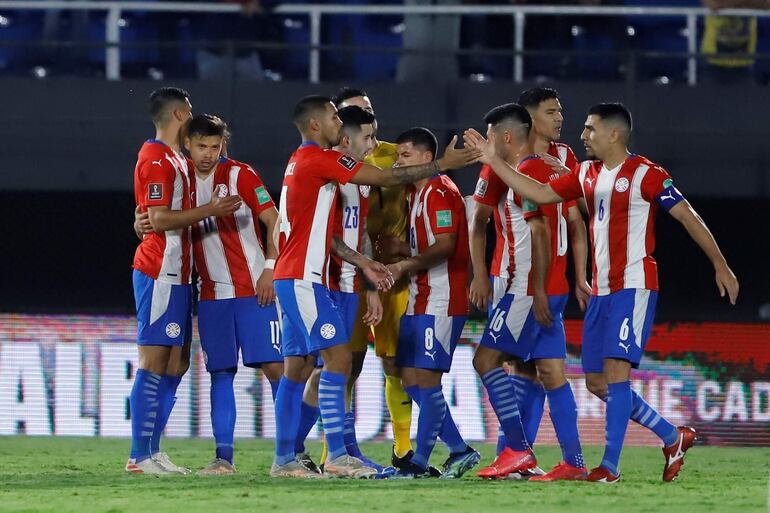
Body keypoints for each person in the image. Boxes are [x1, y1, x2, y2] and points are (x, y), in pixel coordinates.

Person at [464, 102, 740, 483]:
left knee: (615, 374)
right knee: (595, 382)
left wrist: (720, 264)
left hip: (634, 285)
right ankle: (671, 435)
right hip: (602, 291)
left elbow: (688, 216)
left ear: (614, 134)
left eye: (590, 129)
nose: (582, 135)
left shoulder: (647, 174)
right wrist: (496, 161)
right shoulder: (585, 174)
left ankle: (608, 467)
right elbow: (541, 195)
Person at [270, 95, 478, 478]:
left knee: (301, 365)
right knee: (337, 362)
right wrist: (444, 164)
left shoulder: (315, 166)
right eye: (367, 137)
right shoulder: (326, 162)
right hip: (308, 278)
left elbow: (335, 234)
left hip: (321, 278)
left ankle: (289, 457)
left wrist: (366, 268)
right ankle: (334, 455)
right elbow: (383, 178)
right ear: (322, 127)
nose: (374, 146)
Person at [127, 87, 241, 474]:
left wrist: (141, 218)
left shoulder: (176, 159)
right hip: (159, 272)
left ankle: (152, 451)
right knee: (154, 362)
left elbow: (149, 215)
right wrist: (210, 209)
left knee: (175, 366)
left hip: (179, 276)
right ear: (179, 114)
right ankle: (140, 455)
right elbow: (157, 219)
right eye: (189, 110)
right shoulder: (157, 159)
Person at [180, 114, 284, 475]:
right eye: (201, 146)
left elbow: (274, 219)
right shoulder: (181, 178)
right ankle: (223, 458)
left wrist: (271, 268)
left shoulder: (240, 174)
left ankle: (288, 454)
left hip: (256, 288)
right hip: (211, 295)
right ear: (187, 144)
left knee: (275, 368)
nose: (208, 154)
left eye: (215, 146)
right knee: (220, 373)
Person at [293, 105, 394, 477]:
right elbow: (325, 235)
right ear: (346, 137)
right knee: (319, 367)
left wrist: (368, 285)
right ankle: (306, 451)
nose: (374, 143)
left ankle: (329, 451)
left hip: (350, 284)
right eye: (368, 136)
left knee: (339, 368)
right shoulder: (327, 170)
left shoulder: (360, 179)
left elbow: (361, 233)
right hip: (325, 281)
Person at [381, 127, 480, 479]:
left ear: (426, 158)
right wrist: (405, 251)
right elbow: (427, 246)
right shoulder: (416, 193)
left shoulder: (440, 190)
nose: (400, 162)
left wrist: (403, 263)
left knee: (426, 379)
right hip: (419, 297)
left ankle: (418, 463)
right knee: (409, 377)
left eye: (405, 156)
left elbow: (445, 246)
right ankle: (459, 449)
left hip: (442, 299)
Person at [468, 104, 552, 480]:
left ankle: (518, 450)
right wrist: (484, 274)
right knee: (524, 366)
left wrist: (536, 290)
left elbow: (539, 232)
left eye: (489, 137)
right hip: (511, 283)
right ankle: (517, 454)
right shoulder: (510, 172)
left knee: (485, 361)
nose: (486, 144)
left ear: (504, 137)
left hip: (521, 287)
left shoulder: (527, 172)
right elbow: (481, 222)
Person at [333, 88, 415, 468]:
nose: (367, 120)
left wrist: (409, 245)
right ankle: (333, 453)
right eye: (355, 114)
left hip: (393, 278)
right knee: (347, 363)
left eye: (369, 112)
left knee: (394, 363)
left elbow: (426, 198)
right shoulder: (333, 163)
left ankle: (402, 449)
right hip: (348, 273)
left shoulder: (395, 153)